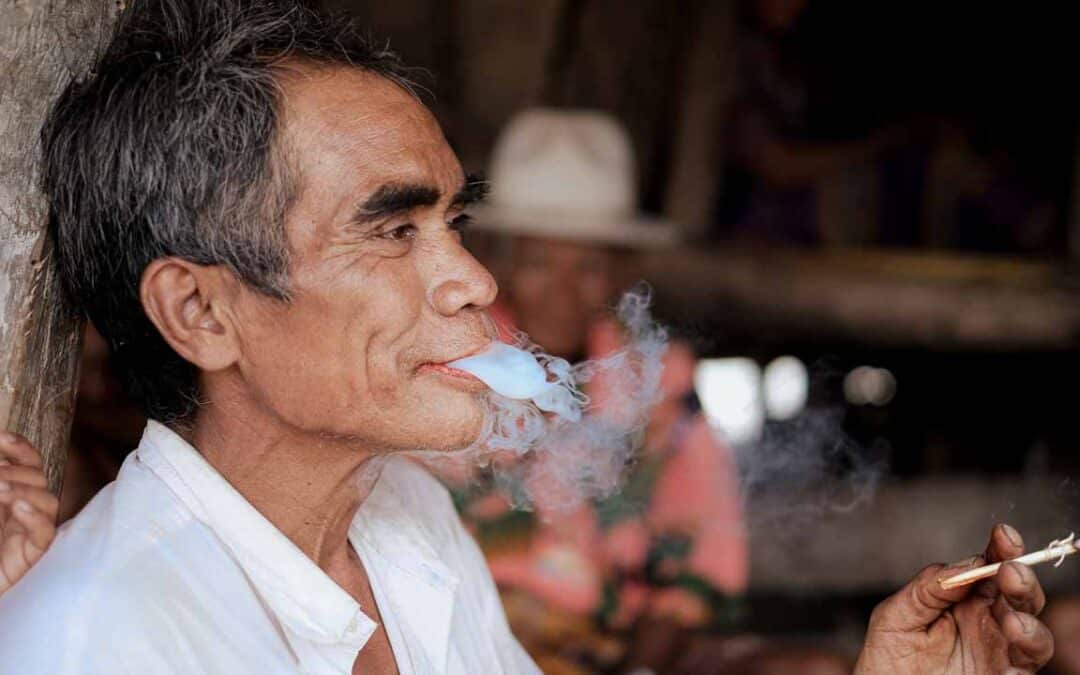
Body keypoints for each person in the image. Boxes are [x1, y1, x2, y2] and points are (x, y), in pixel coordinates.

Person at [0, 1, 1057, 673]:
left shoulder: (411, 528)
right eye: (394, 231)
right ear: (201, 312)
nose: (476, 280)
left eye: (453, 223)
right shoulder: (98, 642)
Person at [454, 108, 749, 672]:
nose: (564, 290)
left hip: (619, 649)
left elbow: (703, 551)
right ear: (499, 261)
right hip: (473, 642)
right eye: (540, 261)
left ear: (620, 272)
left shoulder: (659, 382)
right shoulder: (455, 362)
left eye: (587, 265)